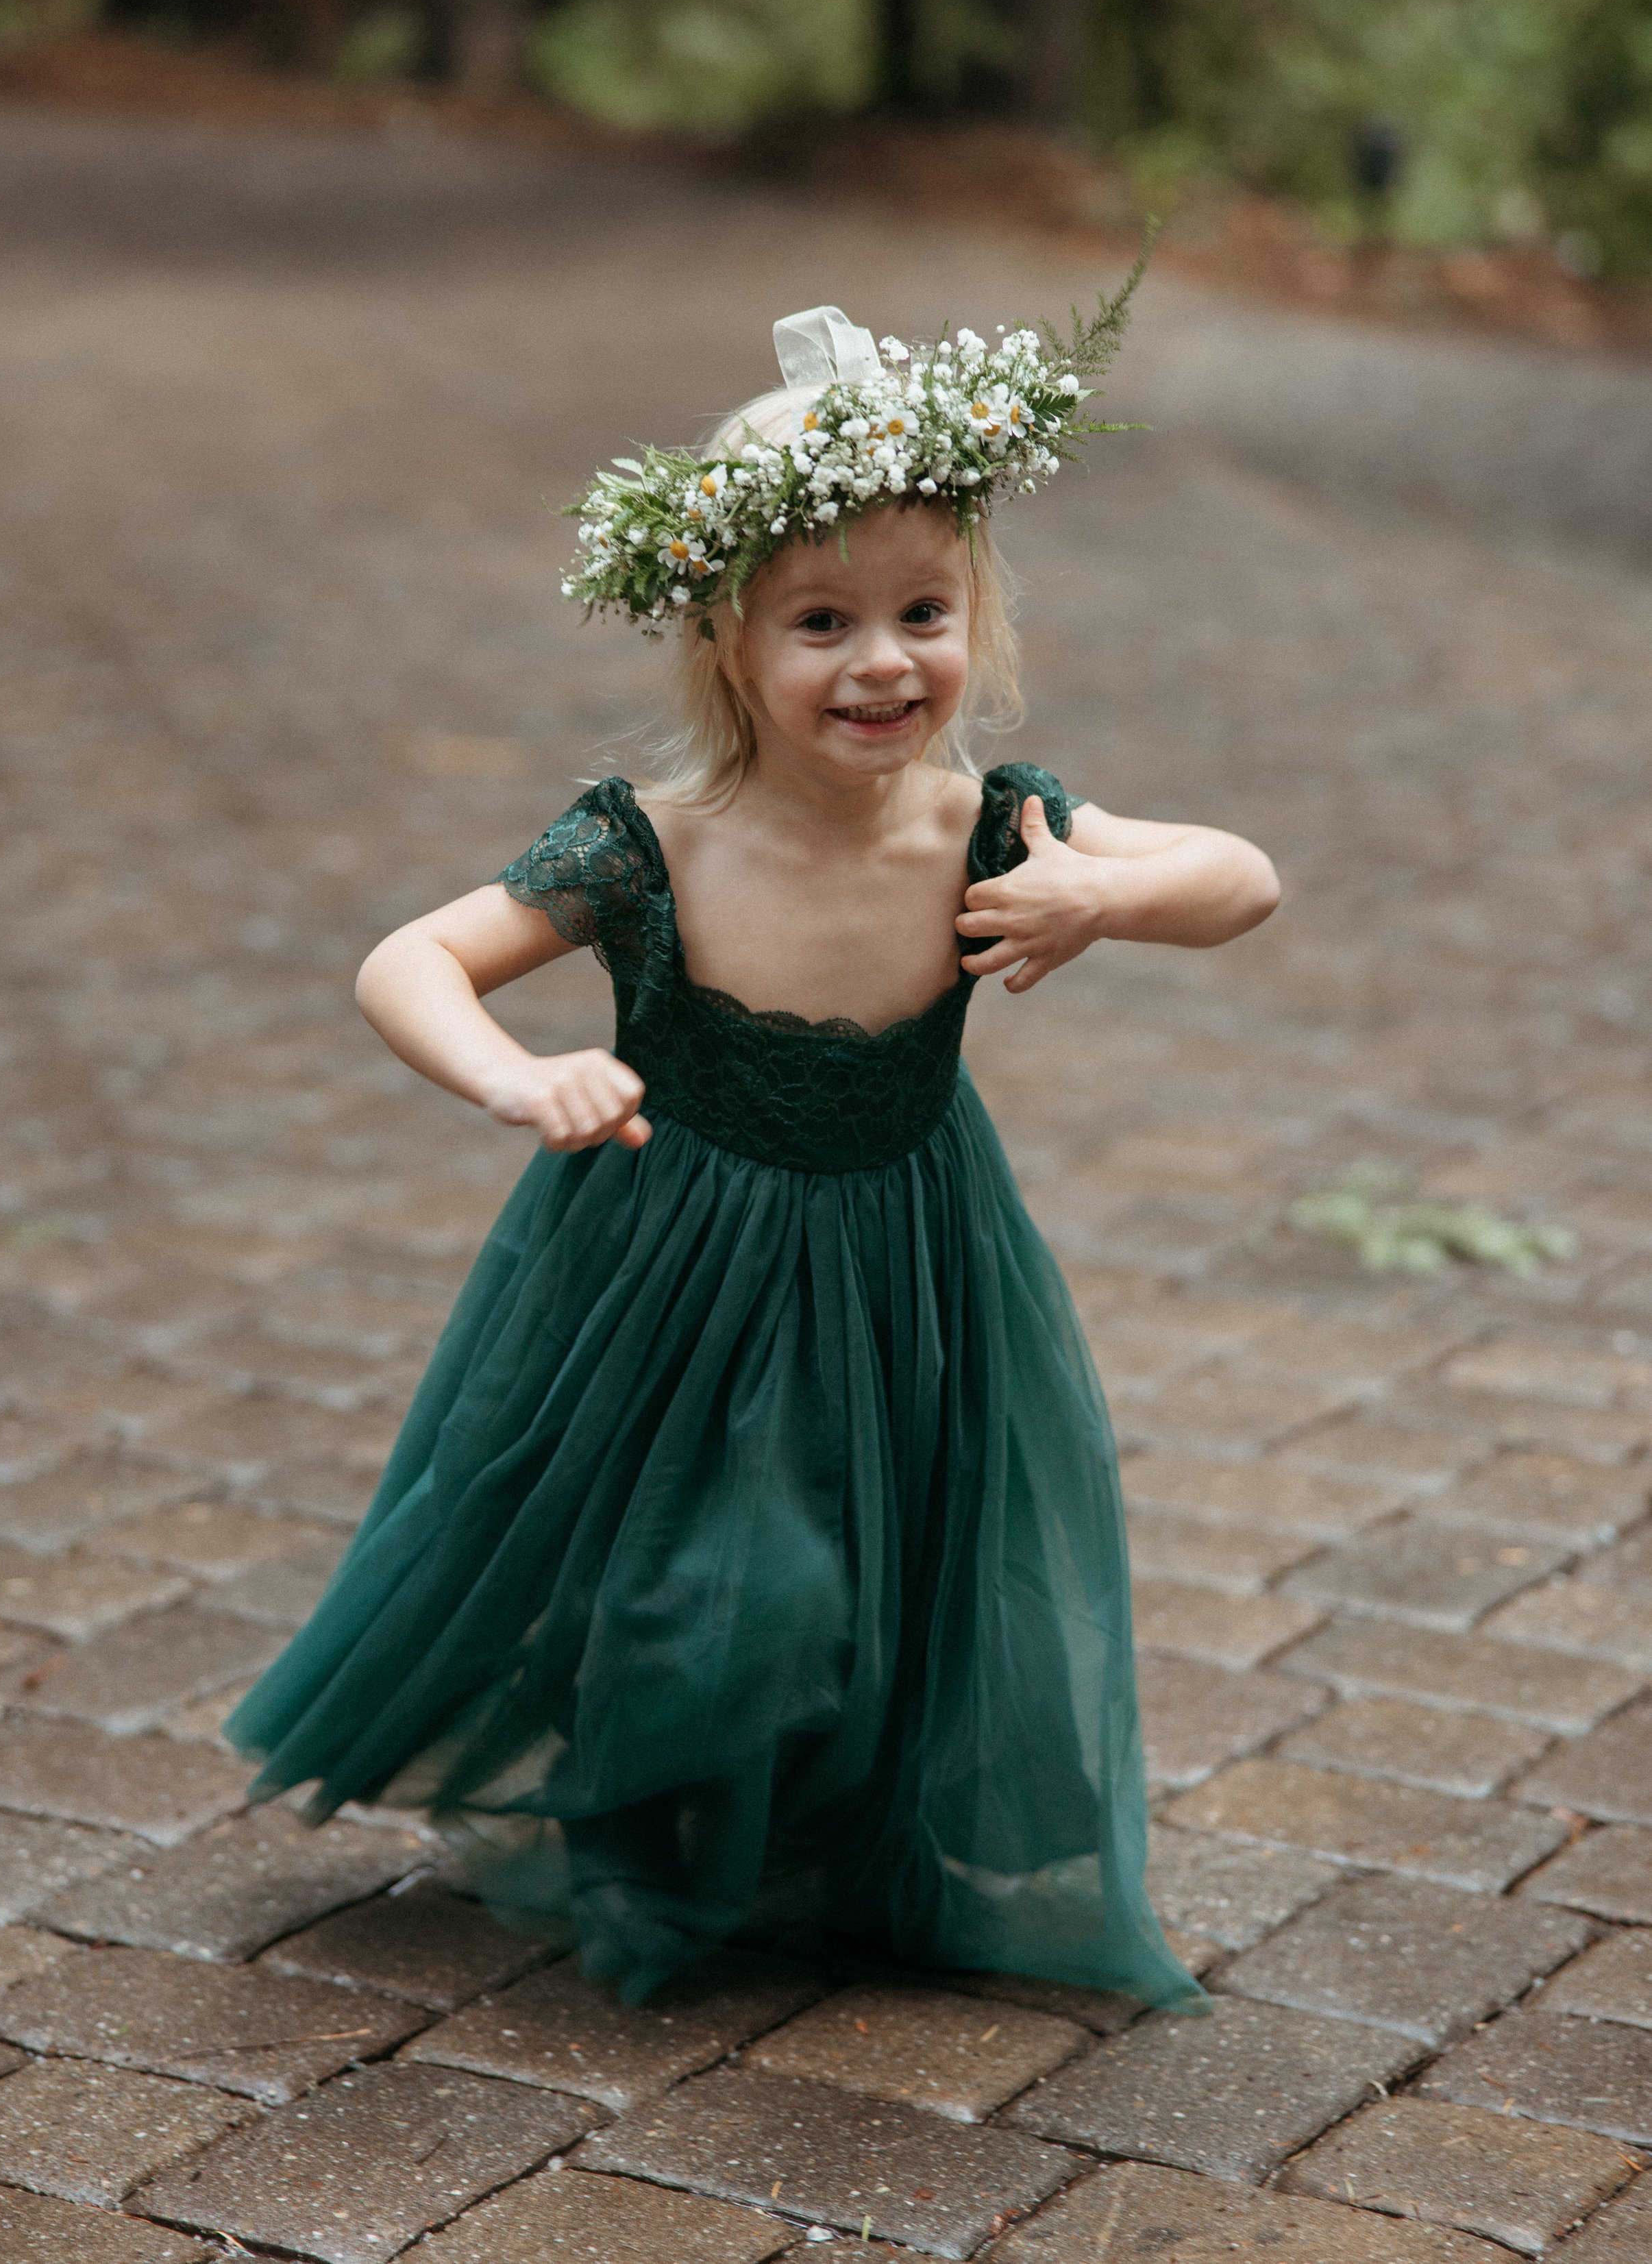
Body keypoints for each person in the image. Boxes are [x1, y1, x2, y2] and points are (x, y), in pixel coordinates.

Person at [225, 283, 1279, 2011]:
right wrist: (516, 1076)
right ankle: (645, 1830)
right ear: (725, 640)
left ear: (976, 613)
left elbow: (1239, 877)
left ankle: (829, 1828)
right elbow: (408, 958)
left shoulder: (995, 820)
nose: (882, 662)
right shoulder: (652, 846)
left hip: (907, 1259)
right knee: (713, 1577)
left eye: (923, 611)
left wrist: (1102, 892)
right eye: (820, 622)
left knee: (879, 1564)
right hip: (672, 1267)